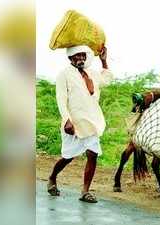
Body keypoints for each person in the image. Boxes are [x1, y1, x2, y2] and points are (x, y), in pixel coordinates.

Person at [47, 45, 113, 203]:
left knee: (93, 154)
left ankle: (85, 191)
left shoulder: (91, 73)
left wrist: (104, 61)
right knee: (68, 157)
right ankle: (52, 177)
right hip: (74, 123)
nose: (81, 59)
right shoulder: (64, 75)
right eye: (77, 56)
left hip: (91, 121)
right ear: (70, 58)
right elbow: (61, 100)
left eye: (83, 56)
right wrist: (66, 120)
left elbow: (107, 80)